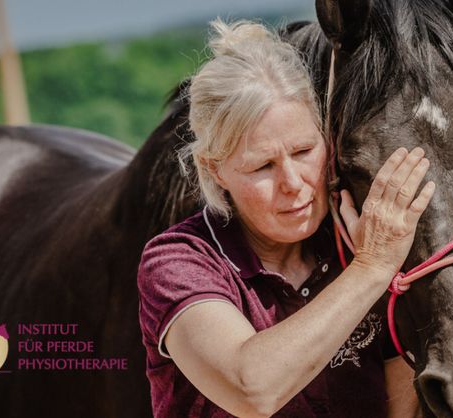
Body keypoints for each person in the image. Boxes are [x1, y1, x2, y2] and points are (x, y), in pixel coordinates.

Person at [136, 19, 436, 418]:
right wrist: (372, 268)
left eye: (303, 151)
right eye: (263, 166)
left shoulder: (353, 240)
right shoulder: (178, 262)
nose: (293, 183)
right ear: (214, 170)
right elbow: (251, 390)